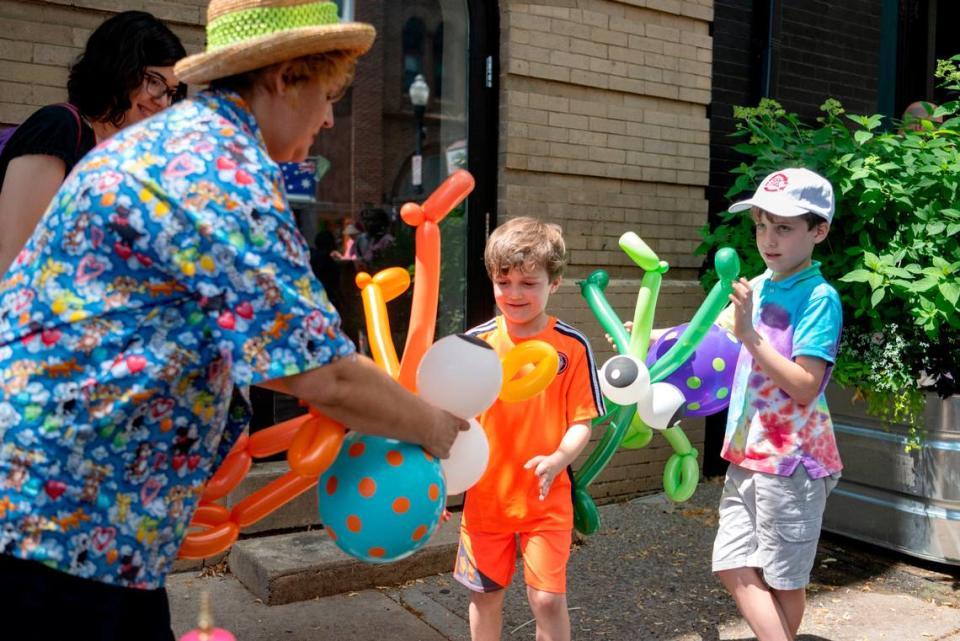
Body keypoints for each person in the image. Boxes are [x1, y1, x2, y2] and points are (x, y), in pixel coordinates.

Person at [0, 0, 467, 638]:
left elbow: (259, 347)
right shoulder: (221, 170)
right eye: (328, 94)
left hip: (64, 508)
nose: (331, 118)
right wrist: (432, 427)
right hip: (66, 517)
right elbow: (320, 373)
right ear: (283, 76)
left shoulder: (170, 145)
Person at [454, 217, 605, 641]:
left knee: (546, 600)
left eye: (528, 283)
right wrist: (439, 481)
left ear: (553, 283)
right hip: (484, 503)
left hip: (545, 502)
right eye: (504, 282)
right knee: (485, 598)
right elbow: (453, 423)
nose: (514, 294)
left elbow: (581, 422)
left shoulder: (571, 347)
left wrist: (558, 459)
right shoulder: (475, 344)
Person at [711, 167, 844, 641]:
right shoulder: (760, 284)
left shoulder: (819, 298)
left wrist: (750, 337)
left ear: (818, 230)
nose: (769, 238)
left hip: (794, 463)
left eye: (784, 227)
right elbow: (709, 346)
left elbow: (807, 385)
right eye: (762, 225)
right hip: (748, 452)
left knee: (783, 577)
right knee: (732, 563)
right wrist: (647, 347)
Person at [0, 10, 186, 275]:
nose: (163, 101)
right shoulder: (59, 127)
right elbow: (12, 256)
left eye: (171, 91)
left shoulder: (121, 153)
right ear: (119, 69)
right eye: (154, 82)